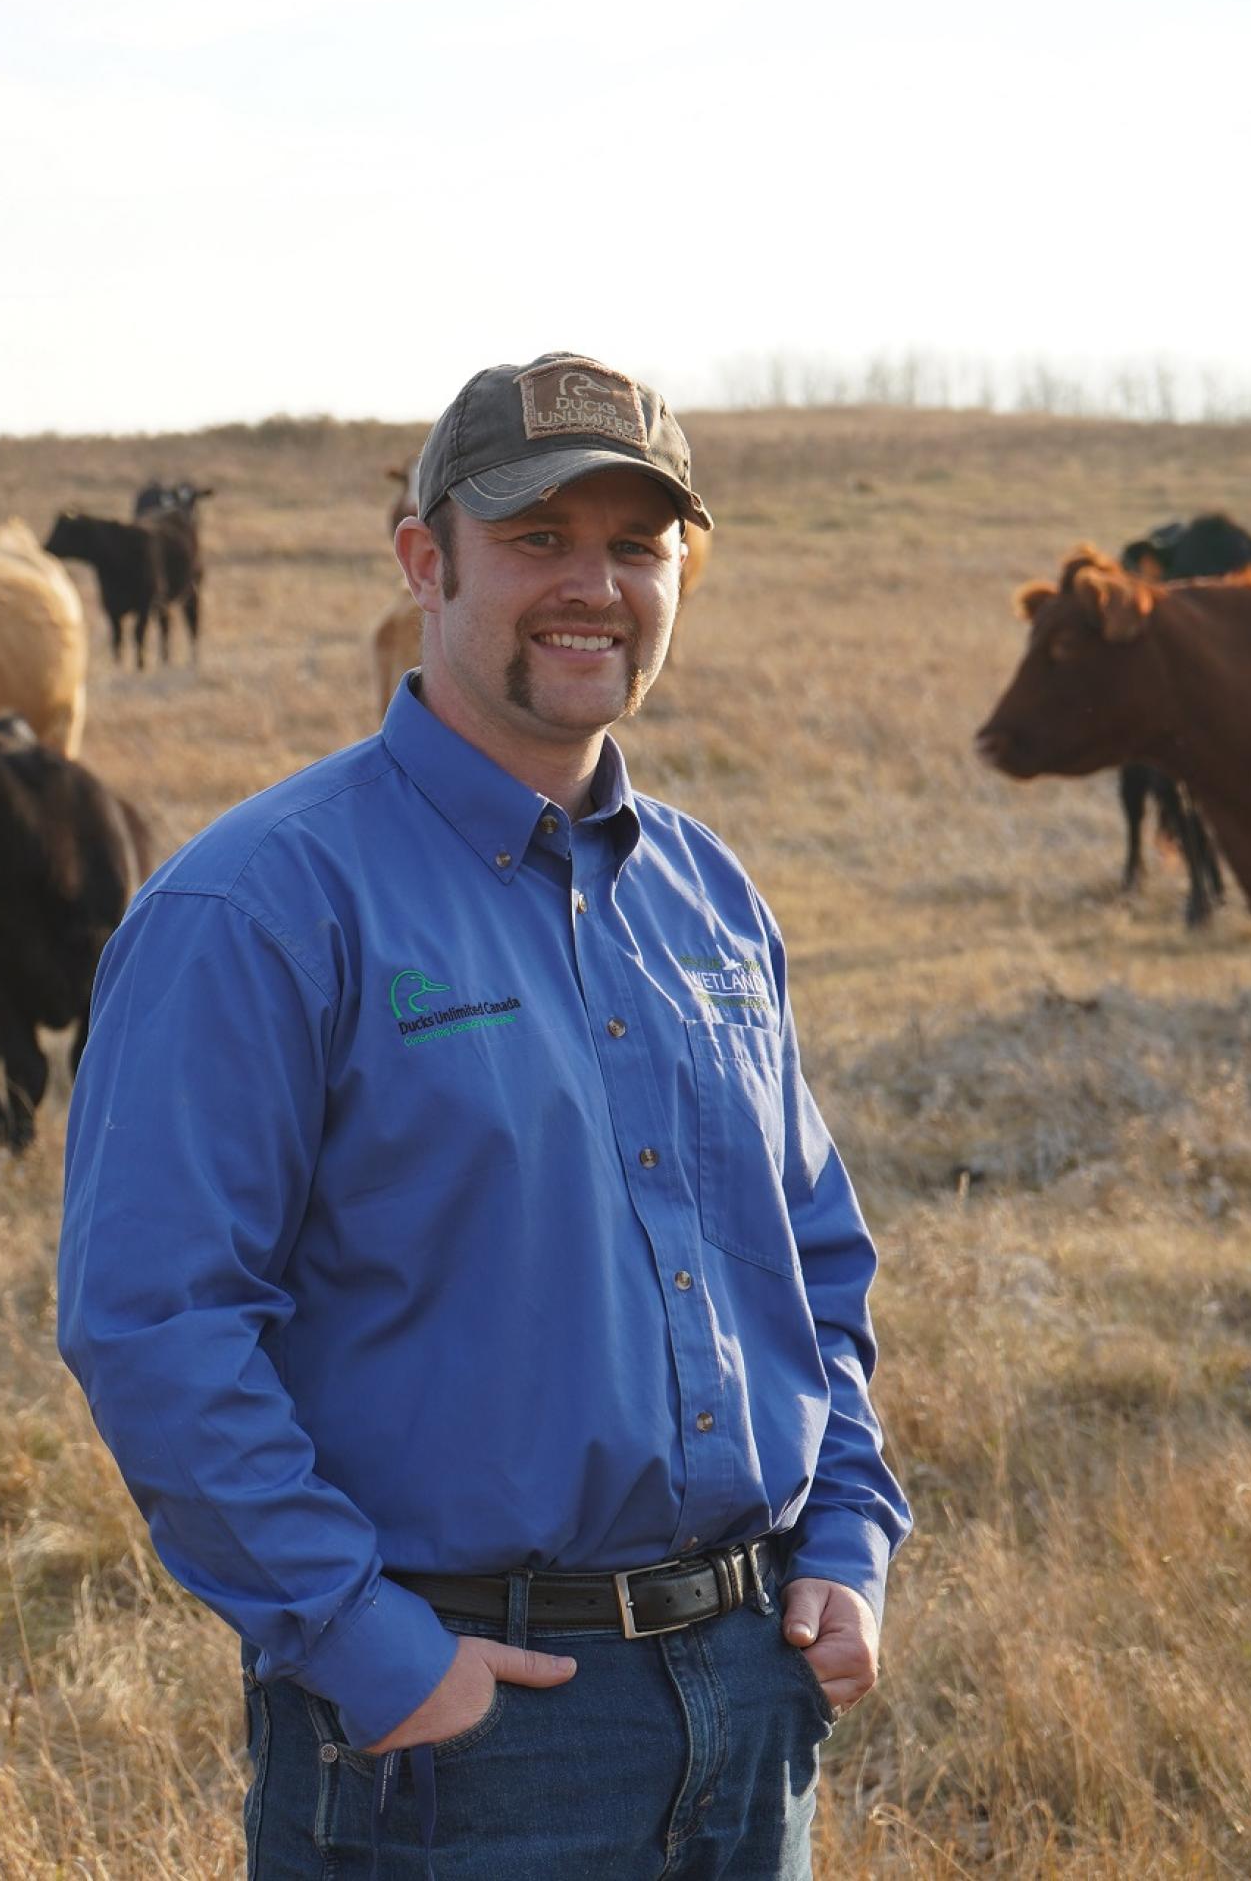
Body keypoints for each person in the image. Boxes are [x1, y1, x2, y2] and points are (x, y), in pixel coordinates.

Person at [56, 352, 909, 1876]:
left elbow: (815, 1264)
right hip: (472, 1736)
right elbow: (155, 1323)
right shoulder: (259, 906)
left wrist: (846, 1535)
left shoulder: (709, 899)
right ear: (421, 561)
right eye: (536, 539)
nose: (594, 586)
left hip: (753, 1692)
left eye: (636, 547)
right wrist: (376, 1654)